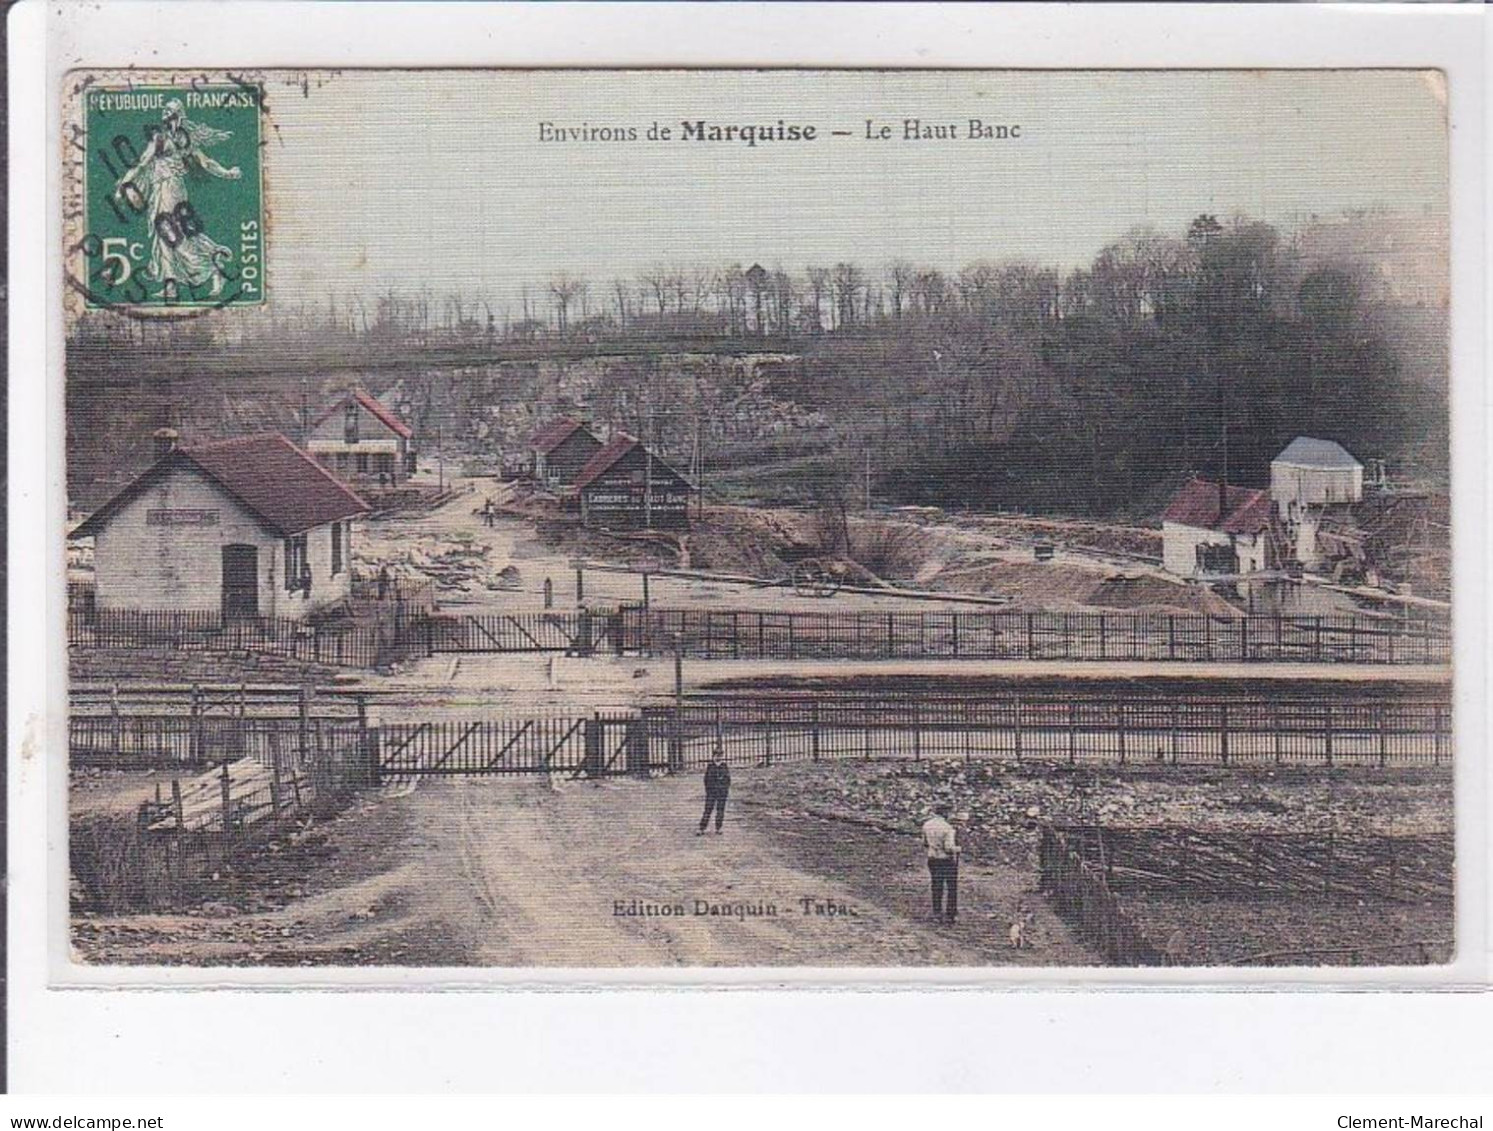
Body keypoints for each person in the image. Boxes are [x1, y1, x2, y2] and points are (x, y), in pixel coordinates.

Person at [114, 99, 242, 299]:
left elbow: (204, 162)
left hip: (168, 190)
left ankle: (209, 268)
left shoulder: (165, 139)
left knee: (172, 234)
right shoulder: (179, 139)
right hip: (168, 189)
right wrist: (227, 173)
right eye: (165, 110)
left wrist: (227, 173)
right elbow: (143, 164)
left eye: (169, 110)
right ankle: (174, 283)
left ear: (177, 115)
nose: (164, 113)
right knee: (173, 234)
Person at [921, 802, 960, 923]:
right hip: (946, 860)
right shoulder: (948, 828)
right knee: (951, 886)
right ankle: (950, 914)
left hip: (932, 858)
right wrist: (958, 849)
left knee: (936, 886)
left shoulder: (926, 825)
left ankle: (937, 912)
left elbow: (925, 843)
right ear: (945, 813)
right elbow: (948, 848)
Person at [698, 748, 731, 835]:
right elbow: (706, 780)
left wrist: (725, 789)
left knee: (720, 810)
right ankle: (702, 828)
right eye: (716, 755)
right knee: (708, 809)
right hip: (711, 792)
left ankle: (718, 828)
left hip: (722, 792)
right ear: (713, 756)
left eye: (720, 755)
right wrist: (709, 790)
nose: (718, 757)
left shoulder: (724, 766)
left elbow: (728, 780)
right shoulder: (710, 766)